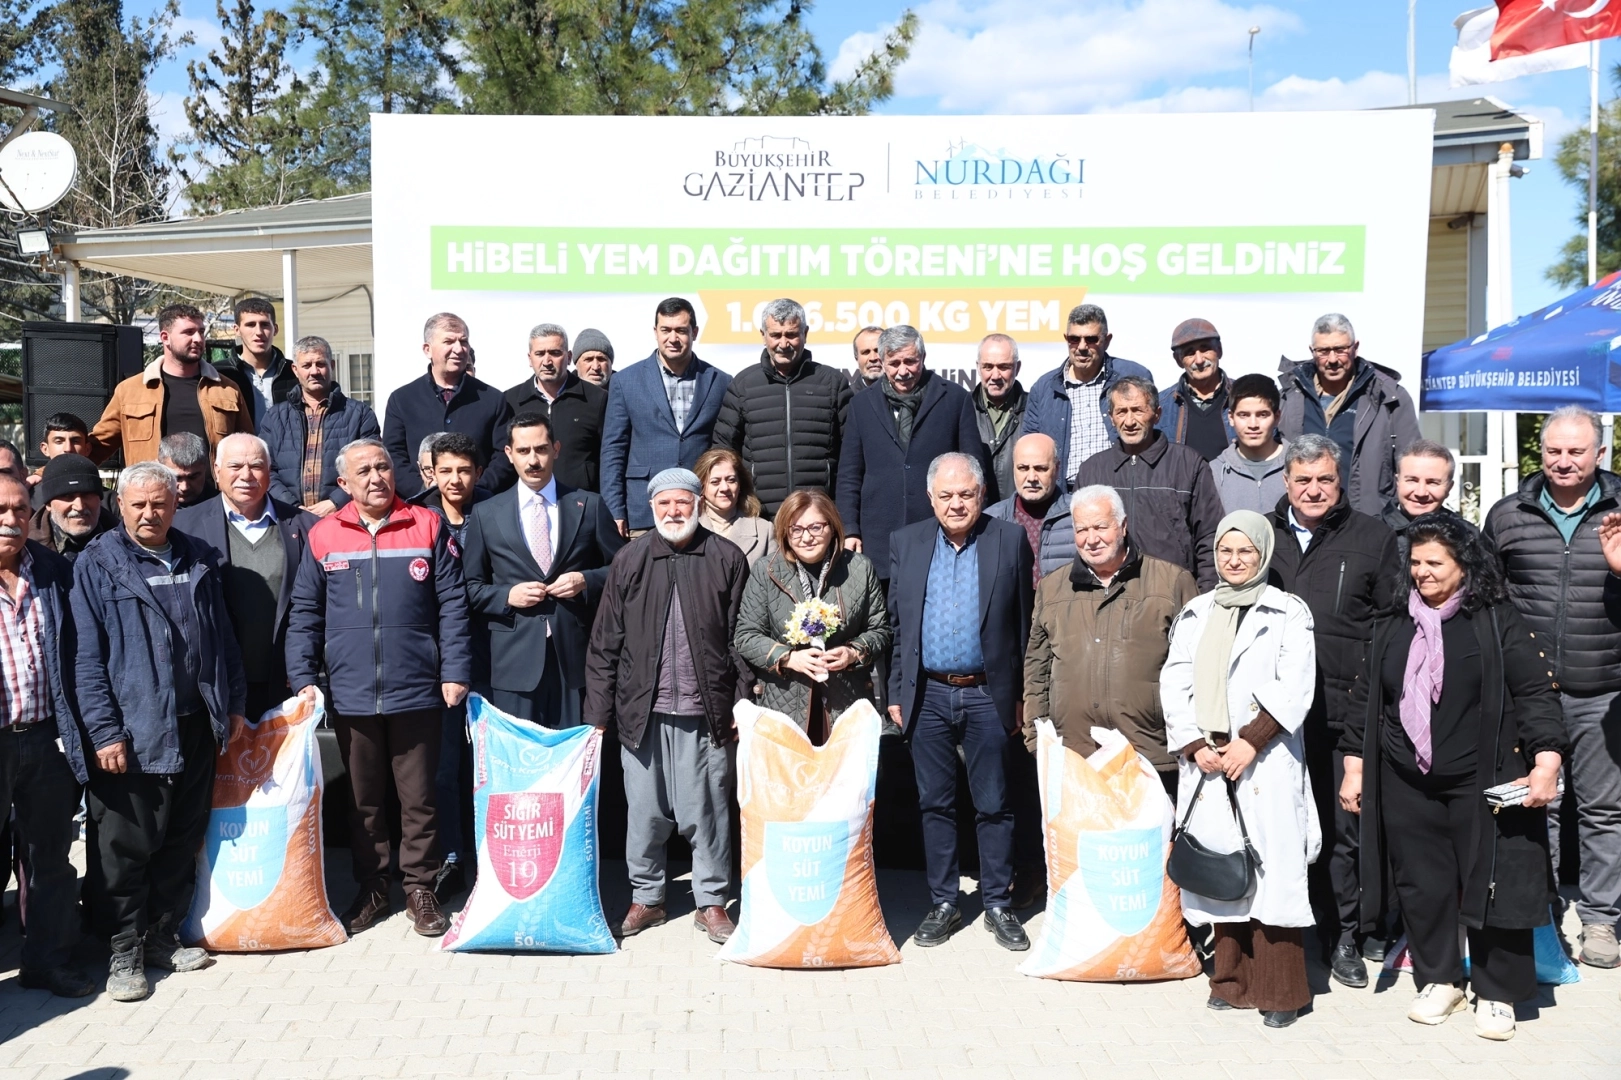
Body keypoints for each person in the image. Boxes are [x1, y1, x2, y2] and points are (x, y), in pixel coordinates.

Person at [1341, 513, 1567, 1040]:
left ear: (1464, 565)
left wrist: (1547, 760)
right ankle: (1440, 979)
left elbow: (1535, 691)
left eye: (1434, 563)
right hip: (1405, 778)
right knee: (1423, 885)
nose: (1422, 572)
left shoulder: (1495, 619)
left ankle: (1496, 991)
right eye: (1416, 562)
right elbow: (1366, 695)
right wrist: (1355, 766)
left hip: (1483, 778)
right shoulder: (1393, 619)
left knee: (1494, 882)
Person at [72, 461, 247, 1002]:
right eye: (139, 504)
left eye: (160, 503)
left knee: (180, 838)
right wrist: (104, 731)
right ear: (120, 506)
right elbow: (85, 658)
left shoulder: (198, 557)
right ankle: (122, 950)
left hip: (196, 723)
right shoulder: (98, 563)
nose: (150, 513)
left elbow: (223, 637)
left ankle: (161, 937)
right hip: (135, 731)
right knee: (126, 845)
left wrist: (233, 704)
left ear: (176, 504)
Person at [285, 438, 471, 938]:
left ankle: (420, 888)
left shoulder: (426, 524)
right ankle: (372, 887)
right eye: (364, 471)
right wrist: (303, 678)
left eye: (383, 467)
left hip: (418, 688)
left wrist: (455, 671)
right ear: (343, 483)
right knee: (363, 801)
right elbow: (305, 612)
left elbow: (453, 605)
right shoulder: (324, 534)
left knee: (419, 798)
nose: (376, 477)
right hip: (351, 691)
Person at [1162, 509, 1318, 1029]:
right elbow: (1174, 680)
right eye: (1225, 551)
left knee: (1273, 876)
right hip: (1208, 761)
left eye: (1245, 551)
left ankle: (1282, 993)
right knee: (1220, 872)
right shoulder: (1196, 612)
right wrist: (1193, 743)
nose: (1234, 560)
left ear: (1263, 554)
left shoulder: (1288, 612)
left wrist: (1250, 742)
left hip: (1263, 760)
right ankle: (1230, 983)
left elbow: (1295, 683)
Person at [584, 468, 751, 944]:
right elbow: (604, 643)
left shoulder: (725, 557)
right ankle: (648, 898)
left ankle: (711, 901)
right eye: (664, 504)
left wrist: (740, 703)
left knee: (708, 812)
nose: (673, 511)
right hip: (642, 714)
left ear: (698, 504)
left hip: (707, 712)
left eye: (682, 502)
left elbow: (741, 639)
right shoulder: (630, 558)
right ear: (651, 507)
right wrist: (597, 716)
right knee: (644, 813)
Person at [1483, 405, 1621, 968]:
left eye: (1576, 451)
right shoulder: (1508, 513)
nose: (1564, 461)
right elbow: (1488, 598)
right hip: (1531, 690)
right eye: (1554, 451)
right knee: (1538, 803)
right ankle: (1541, 913)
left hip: (1603, 686)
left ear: (1600, 453)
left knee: (1603, 808)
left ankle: (1601, 920)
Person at [1266, 434, 1398, 987]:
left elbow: (1390, 626)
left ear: (1340, 481)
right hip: (1275, 718)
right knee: (1285, 829)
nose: (1314, 490)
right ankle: (1288, 934)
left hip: (1344, 710)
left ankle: (1344, 935)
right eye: (1303, 480)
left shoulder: (1372, 536)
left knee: (1344, 834)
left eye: (1325, 479)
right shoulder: (1263, 536)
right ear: (1286, 482)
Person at [888, 453, 1033, 951]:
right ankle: (944, 902)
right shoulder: (906, 542)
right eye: (946, 495)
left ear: (982, 495)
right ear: (931, 498)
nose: (956, 504)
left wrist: (1020, 695)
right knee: (935, 804)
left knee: (995, 804)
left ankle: (997, 903)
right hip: (927, 694)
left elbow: (1024, 623)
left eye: (966, 494)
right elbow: (898, 626)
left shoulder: (1009, 539)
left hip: (987, 694)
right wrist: (896, 690)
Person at [1024, 484, 1198, 793]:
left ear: (1123, 525)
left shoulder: (1172, 583)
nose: (1091, 539)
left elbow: (1196, 670)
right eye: (1082, 530)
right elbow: (1037, 670)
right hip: (1074, 756)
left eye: (1100, 527)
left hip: (1149, 753)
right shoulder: (1052, 589)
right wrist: (1038, 739)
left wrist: (1193, 739)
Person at [0, 474, 96, 997]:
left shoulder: (53, 570)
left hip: (47, 739)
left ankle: (47, 960)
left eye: (20, 509)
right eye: (1, 509)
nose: (11, 519)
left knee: (51, 858)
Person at [463, 412, 622, 726]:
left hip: (575, 658)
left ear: (556, 449)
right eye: (523, 451)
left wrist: (586, 580)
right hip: (513, 662)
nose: (533, 460)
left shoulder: (588, 505)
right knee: (520, 753)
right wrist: (507, 595)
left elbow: (623, 570)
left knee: (573, 752)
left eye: (541, 449)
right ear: (509, 454)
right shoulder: (486, 513)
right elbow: (470, 586)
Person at [174, 433, 317, 722]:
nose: (246, 475)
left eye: (256, 466)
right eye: (235, 466)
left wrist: (306, 672)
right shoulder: (182, 527)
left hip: (285, 684)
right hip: (212, 685)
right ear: (216, 471)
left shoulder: (306, 527)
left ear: (269, 471)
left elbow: (316, 608)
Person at [734, 490, 890, 744]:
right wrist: (788, 658)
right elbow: (746, 635)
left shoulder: (859, 568)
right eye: (795, 529)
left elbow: (880, 630)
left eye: (816, 527)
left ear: (832, 526)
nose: (806, 537)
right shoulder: (766, 570)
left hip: (846, 700)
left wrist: (853, 653)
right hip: (784, 703)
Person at [836, 325, 985, 587]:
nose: (903, 371)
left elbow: (974, 469)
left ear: (923, 357)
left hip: (939, 533)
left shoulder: (955, 399)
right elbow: (849, 474)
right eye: (894, 363)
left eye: (910, 361)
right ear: (882, 362)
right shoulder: (861, 404)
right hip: (878, 539)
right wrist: (850, 529)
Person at [1072, 376, 1225, 591]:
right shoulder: (1092, 470)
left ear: (1157, 414)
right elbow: (1078, 539)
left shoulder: (1188, 464)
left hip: (1173, 591)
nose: (1129, 421)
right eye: (1121, 412)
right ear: (1111, 418)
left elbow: (1209, 537)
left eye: (1138, 410)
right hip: (1109, 593)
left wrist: (1206, 596)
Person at [601, 298, 731, 538]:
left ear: (694, 332)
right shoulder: (625, 381)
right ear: (655, 332)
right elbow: (613, 451)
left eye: (681, 330)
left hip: (702, 511)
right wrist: (614, 510)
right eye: (666, 330)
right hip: (643, 511)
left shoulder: (720, 381)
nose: (673, 338)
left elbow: (725, 449)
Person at [710, 298, 852, 517]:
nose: (783, 344)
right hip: (760, 517)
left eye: (791, 335)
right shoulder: (743, 384)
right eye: (776, 335)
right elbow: (722, 452)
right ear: (763, 335)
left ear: (805, 333)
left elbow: (852, 455)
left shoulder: (833, 383)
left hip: (818, 516)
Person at [1277, 313, 1420, 518]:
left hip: (1368, 521)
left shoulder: (1389, 396)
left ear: (1355, 347)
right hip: (1303, 520)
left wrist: (1391, 518)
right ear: (1312, 351)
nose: (1332, 360)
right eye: (1323, 351)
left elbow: (1413, 466)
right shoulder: (1289, 396)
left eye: (1340, 349)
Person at [89, 303, 253, 466]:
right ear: (165, 337)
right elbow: (98, 446)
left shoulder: (227, 389)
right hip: (152, 482)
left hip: (211, 484)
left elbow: (248, 447)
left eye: (201, 332)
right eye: (188, 332)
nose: (198, 339)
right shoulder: (130, 390)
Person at [383, 312, 514, 498]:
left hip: (479, 505)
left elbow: (503, 455)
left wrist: (475, 490)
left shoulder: (492, 399)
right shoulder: (402, 400)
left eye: (464, 341)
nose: (459, 349)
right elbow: (393, 455)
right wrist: (424, 493)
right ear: (427, 349)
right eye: (449, 341)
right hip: (420, 506)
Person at [1021, 303, 1153, 486]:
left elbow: (1154, 437)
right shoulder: (1043, 388)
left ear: (1107, 340)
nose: (1082, 347)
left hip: (1122, 489)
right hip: (1065, 495)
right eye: (1074, 339)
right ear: (1066, 339)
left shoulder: (1134, 376)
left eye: (1091, 339)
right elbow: (1029, 447)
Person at [260, 335, 382, 519]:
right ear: (295, 370)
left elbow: (369, 466)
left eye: (320, 364)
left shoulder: (360, 415)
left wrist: (336, 502)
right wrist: (292, 507)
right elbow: (265, 468)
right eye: (306, 365)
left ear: (332, 365)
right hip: (287, 518)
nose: (314, 371)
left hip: (344, 517)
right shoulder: (274, 417)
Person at [502, 323, 608, 492]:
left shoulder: (597, 399)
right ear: (530, 358)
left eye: (555, 353)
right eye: (540, 354)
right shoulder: (510, 401)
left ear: (569, 357)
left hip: (582, 501)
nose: (547, 361)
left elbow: (611, 457)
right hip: (527, 501)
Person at [987, 433, 1072, 582]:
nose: (1032, 478)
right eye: (1023, 468)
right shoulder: (990, 520)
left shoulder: (1078, 515)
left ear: (1057, 469)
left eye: (1041, 468)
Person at [1158, 318, 1235, 463]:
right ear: (1178, 360)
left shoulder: (1244, 397)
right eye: (1190, 353)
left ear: (1219, 350)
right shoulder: (1162, 406)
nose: (1199, 360)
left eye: (1205, 349)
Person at [1211, 374, 1290, 515]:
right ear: (1231, 418)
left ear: (1277, 417)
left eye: (1262, 415)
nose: (1253, 425)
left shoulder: (1300, 465)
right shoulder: (1214, 472)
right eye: (1244, 415)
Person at [221, 297, 297, 426]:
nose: (258, 332)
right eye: (250, 325)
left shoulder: (294, 372)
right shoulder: (221, 374)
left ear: (275, 329)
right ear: (237, 330)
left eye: (265, 324)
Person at [28, 453, 117, 562]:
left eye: (87, 495)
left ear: (99, 499)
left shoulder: (126, 541)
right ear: (48, 504)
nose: (79, 506)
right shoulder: (26, 550)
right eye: (67, 496)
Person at [695, 447, 775, 566]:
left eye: (731, 480)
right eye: (715, 482)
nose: (724, 488)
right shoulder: (690, 528)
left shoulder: (764, 530)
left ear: (740, 484)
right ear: (701, 486)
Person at [972, 333, 1027, 504]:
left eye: (1003, 367)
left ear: (1017, 368)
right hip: (975, 513)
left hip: (1020, 511)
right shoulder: (962, 409)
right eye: (988, 367)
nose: (995, 376)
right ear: (978, 367)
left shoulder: (1035, 409)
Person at [413, 432, 488, 545]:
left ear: (477, 473)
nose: (455, 480)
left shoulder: (497, 514)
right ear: (433, 474)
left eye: (464, 471)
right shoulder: (415, 517)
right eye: (446, 471)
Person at [1387, 440, 1460, 532]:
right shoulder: (1373, 534)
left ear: (1449, 488)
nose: (1421, 493)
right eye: (1412, 481)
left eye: (1432, 483)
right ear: (1397, 482)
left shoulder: (1467, 535)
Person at [30, 412, 90, 492]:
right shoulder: (30, 496)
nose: (68, 448)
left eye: (75, 441)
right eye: (59, 441)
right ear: (45, 449)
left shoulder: (105, 497)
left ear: (87, 449)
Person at [850, 325, 884, 392]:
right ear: (856, 357)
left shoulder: (903, 393)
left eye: (878, 351)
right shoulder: (848, 396)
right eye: (866, 352)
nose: (873, 358)